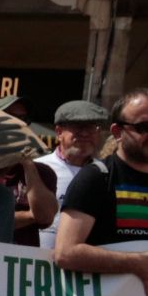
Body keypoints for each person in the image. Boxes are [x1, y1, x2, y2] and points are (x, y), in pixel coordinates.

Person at [54, 88, 148, 296]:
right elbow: (65, 252)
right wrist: (134, 262)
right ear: (117, 132)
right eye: (144, 126)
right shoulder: (96, 177)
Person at [35, 100, 106, 250]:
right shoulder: (37, 168)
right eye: (78, 127)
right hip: (37, 264)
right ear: (59, 132)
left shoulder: (106, 173)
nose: (85, 134)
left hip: (87, 266)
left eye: (92, 128)